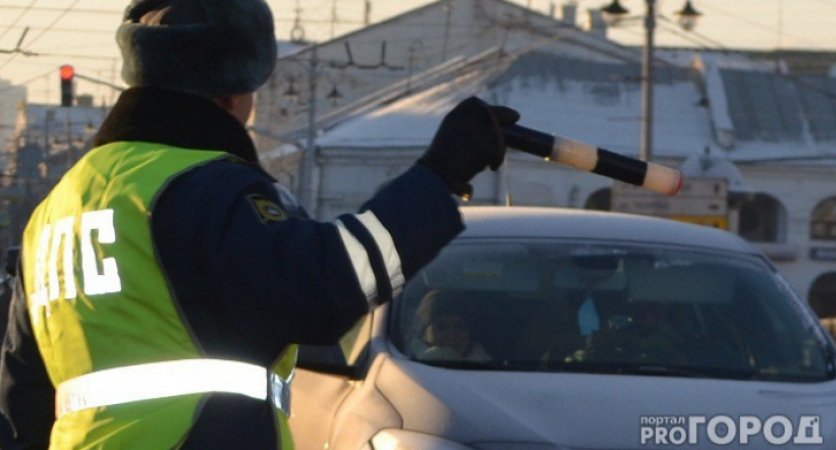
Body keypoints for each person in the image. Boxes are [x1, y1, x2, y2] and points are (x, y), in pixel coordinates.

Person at [0, 0, 519, 448]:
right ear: (230, 95)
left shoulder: (55, 211)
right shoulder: (204, 186)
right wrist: (440, 174)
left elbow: (22, 394)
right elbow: (324, 287)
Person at [414, 290, 491, 362]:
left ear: (471, 333)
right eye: (442, 327)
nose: (451, 335)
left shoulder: (488, 369)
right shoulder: (409, 361)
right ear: (431, 331)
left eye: (460, 327)